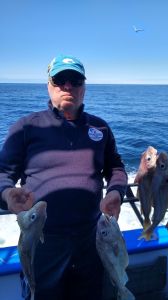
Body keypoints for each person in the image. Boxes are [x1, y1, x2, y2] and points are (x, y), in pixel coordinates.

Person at [0, 54, 128, 300]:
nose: (68, 86)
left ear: (84, 87)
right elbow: (3, 172)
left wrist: (116, 192)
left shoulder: (101, 128)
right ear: (49, 85)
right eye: (60, 80)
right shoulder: (26, 127)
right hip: (42, 240)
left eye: (75, 80)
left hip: (92, 239)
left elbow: (116, 167)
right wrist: (7, 193)